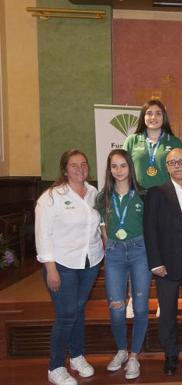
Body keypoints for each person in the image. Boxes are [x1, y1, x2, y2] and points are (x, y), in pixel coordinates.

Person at [35, 149, 104, 385]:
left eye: (83, 164)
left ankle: (76, 355)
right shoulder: (51, 198)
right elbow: (42, 236)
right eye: (74, 165)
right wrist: (51, 269)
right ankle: (55, 366)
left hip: (90, 261)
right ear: (65, 169)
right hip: (62, 264)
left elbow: (99, 225)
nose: (80, 168)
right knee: (66, 315)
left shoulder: (94, 193)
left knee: (78, 310)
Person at [143, 148, 182, 376]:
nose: (177, 165)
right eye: (172, 162)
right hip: (166, 264)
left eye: (181, 161)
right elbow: (150, 230)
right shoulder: (156, 193)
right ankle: (170, 354)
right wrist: (155, 262)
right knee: (166, 311)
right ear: (167, 167)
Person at [96, 149, 150, 380]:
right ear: (109, 170)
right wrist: (110, 248)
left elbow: (150, 227)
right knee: (116, 309)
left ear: (130, 167)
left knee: (139, 307)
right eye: (114, 166)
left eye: (123, 165)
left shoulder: (143, 195)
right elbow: (102, 228)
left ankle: (135, 356)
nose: (118, 170)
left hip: (140, 252)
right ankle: (121, 350)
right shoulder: (102, 198)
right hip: (115, 254)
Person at [123, 99, 182, 189]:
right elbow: (122, 168)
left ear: (164, 117)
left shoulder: (174, 142)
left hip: (166, 196)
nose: (153, 117)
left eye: (158, 113)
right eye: (149, 113)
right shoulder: (132, 140)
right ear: (143, 117)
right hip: (137, 196)